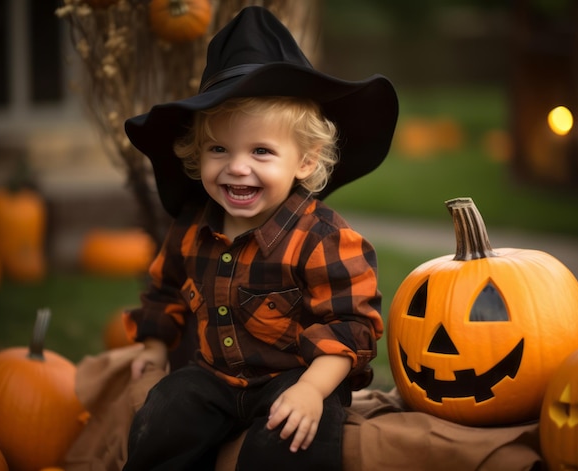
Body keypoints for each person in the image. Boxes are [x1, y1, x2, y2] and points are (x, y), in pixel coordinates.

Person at [121, 5, 398, 470]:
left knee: (291, 440)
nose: (237, 167)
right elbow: (164, 288)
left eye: (261, 151)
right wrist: (152, 344)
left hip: (298, 376)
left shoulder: (322, 238)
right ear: (197, 155)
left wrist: (313, 390)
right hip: (214, 378)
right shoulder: (192, 229)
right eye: (218, 149)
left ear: (305, 162)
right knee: (164, 413)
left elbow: (351, 326)